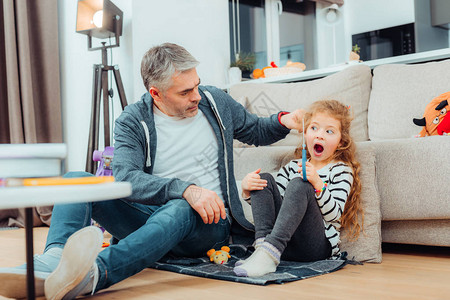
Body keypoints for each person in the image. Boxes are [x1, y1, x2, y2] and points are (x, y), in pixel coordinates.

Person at [0, 43, 305, 299]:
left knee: (181, 208)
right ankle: (53, 261)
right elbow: (125, 178)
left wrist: (284, 121)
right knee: (75, 181)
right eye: (185, 91)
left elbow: (255, 130)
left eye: (196, 85)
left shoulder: (214, 101)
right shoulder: (132, 120)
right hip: (149, 219)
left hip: (209, 224)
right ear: (156, 93)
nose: (196, 95)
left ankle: (93, 274)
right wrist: (185, 188)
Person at [233, 100, 363, 277]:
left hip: (315, 248)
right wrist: (248, 191)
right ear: (306, 133)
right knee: (263, 179)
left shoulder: (341, 170)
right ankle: (263, 249)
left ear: (341, 142)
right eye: (314, 128)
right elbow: (274, 206)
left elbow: (334, 215)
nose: (320, 136)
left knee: (300, 184)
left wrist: (318, 184)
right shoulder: (292, 166)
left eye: (329, 131)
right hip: (285, 246)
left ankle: (268, 253)